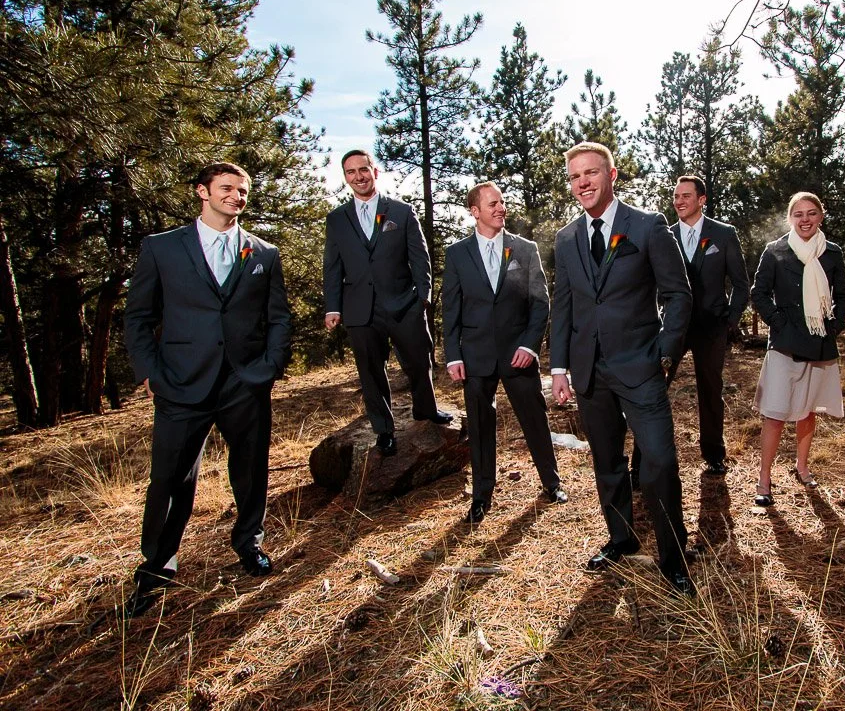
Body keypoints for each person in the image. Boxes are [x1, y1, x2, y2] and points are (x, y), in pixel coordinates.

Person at [123, 162, 292, 618]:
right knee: (169, 478)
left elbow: (278, 317)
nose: (237, 196)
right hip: (181, 383)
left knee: (251, 470)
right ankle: (158, 565)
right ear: (203, 191)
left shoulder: (263, 252)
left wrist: (269, 366)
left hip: (244, 383)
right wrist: (150, 373)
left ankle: (249, 543)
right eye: (227, 188)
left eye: (243, 190)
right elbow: (138, 317)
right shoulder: (162, 247)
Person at [549, 142, 695, 596]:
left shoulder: (648, 226)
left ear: (611, 175)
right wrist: (559, 368)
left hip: (642, 367)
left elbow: (678, 296)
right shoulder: (566, 239)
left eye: (591, 173)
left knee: (659, 462)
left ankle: (673, 557)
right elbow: (564, 307)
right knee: (607, 462)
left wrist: (664, 355)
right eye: (575, 177)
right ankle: (621, 538)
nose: (583, 183)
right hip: (589, 372)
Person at [442, 182, 567, 524]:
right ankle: (481, 496)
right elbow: (451, 308)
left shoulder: (524, 249)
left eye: (502, 202)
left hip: (518, 354)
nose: (501, 208)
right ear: (475, 211)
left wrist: (529, 345)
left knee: (535, 419)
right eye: (492, 204)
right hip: (475, 356)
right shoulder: (457, 254)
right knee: (480, 426)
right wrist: (453, 355)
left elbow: (540, 303)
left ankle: (551, 482)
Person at [323, 150, 451, 457]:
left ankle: (426, 409)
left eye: (363, 169)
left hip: (404, 303)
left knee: (419, 360)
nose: (358, 176)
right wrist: (333, 306)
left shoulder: (401, 212)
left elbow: (420, 257)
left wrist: (423, 297)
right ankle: (384, 430)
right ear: (346, 178)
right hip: (360, 309)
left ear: (375, 171)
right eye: (351, 172)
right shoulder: (337, 219)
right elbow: (332, 266)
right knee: (370, 371)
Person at [630, 176, 749, 484]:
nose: (679, 201)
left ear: (702, 199)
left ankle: (714, 456)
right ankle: (640, 464)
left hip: (712, 328)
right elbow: (650, 284)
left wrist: (730, 320)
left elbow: (741, 283)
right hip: (673, 328)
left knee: (710, 391)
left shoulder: (724, 234)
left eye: (685, 196)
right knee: (654, 389)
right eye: (676, 196)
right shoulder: (663, 234)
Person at [749, 192, 845, 507]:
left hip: (820, 341)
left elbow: (843, 295)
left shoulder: (832, 252)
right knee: (775, 413)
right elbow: (758, 293)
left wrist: (834, 325)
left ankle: (802, 466)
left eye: (811, 213)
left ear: (821, 216)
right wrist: (779, 322)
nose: (805, 220)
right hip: (785, 343)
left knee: (808, 411)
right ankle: (764, 478)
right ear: (790, 218)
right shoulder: (775, 250)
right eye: (798, 214)